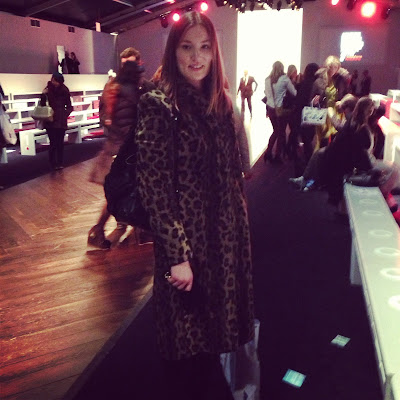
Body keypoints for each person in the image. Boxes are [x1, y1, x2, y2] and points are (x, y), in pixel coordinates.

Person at [135, 11, 254, 400]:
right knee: (184, 351)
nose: (196, 57)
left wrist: (238, 235)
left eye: (204, 47)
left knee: (211, 345)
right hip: (186, 248)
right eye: (187, 47)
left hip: (223, 245)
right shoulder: (159, 104)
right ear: (173, 51)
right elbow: (154, 187)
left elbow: (233, 174)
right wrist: (177, 256)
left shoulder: (219, 102)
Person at [88, 47, 151, 249]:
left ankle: (131, 229)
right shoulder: (131, 87)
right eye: (126, 63)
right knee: (121, 192)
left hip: (119, 148)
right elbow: (125, 120)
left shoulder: (121, 86)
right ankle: (101, 230)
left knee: (125, 191)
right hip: (123, 150)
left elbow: (106, 117)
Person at [311, 55, 350, 151]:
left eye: (335, 67)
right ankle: (322, 158)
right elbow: (311, 98)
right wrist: (314, 101)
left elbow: (346, 95)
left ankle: (332, 158)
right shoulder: (319, 81)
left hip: (337, 113)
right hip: (323, 113)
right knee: (323, 140)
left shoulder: (341, 80)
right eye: (331, 67)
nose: (333, 69)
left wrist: (342, 101)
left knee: (336, 139)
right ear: (327, 67)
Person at [263, 61, 297, 164]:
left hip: (270, 108)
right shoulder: (284, 79)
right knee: (281, 133)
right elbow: (294, 93)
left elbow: (267, 93)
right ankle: (277, 156)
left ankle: (268, 153)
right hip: (280, 109)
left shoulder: (267, 79)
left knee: (276, 131)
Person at [41, 72, 73, 170]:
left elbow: (69, 106)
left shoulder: (64, 90)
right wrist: (43, 95)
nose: (54, 82)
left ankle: (59, 162)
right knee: (53, 143)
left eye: (55, 81)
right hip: (50, 119)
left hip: (61, 120)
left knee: (60, 143)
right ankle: (53, 163)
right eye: (53, 80)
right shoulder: (47, 90)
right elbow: (42, 104)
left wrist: (64, 114)